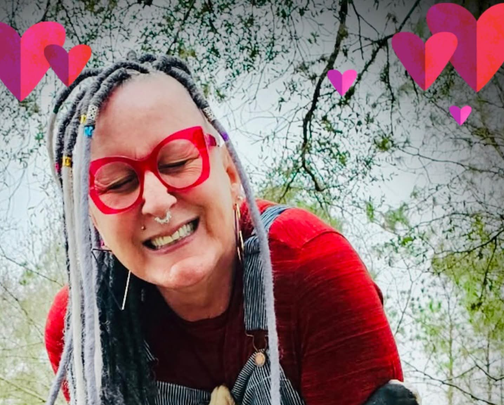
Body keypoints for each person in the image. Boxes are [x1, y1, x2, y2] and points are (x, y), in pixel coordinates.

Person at [43, 52, 420, 405]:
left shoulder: (313, 267)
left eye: (177, 162)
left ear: (229, 171)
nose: (157, 202)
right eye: (118, 183)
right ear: (92, 221)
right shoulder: (83, 334)